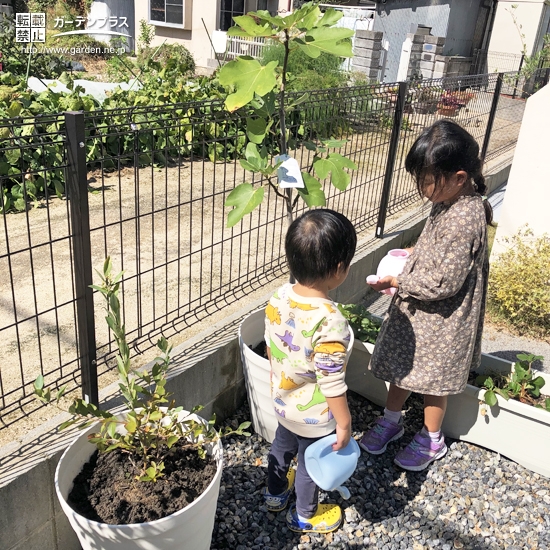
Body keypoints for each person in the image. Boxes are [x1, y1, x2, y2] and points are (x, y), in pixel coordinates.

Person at [360, 119, 493, 472]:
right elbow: (437, 252)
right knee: (404, 368)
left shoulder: (466, 217)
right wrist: (411, 261)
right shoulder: (450, 199)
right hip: (423, 313)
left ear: (459, 178)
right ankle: (392, 420)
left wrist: (400, 282)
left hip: (444, 318)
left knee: (435, 379)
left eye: (427, 179)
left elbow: (444, 283)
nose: (422, 186)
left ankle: (432, 439)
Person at [262, 208, 357, 534]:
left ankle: (274, 494)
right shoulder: (330, 321)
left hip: (282, 401)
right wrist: (344, 422)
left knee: (281, 445)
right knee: (307, 463)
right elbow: (331, 383)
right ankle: (305, 514)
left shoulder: (278, 297)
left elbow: (272, 345)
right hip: (314, 415)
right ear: (339, 269)